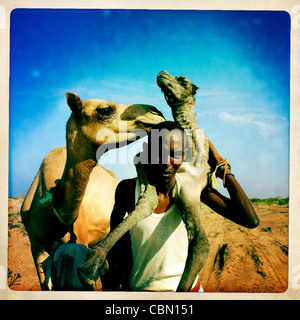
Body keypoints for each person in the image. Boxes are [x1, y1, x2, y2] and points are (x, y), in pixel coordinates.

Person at [101, 121, 259, 292]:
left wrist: (221, 167)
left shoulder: (192, 188)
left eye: (175, 153)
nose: (166, 162)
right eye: (158, 152)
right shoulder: (128, 190)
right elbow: (115, 249)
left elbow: (250, 220)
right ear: (147, 151)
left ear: (184, 155)